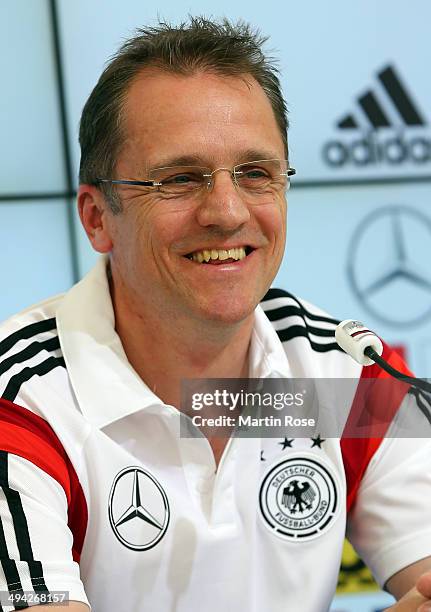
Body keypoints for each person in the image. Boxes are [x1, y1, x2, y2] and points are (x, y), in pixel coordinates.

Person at [0, 16, 431, 612]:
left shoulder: (347, 372)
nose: (227, 212)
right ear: (98, 217)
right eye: (180, 179)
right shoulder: (20, 402)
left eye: (256, 174)